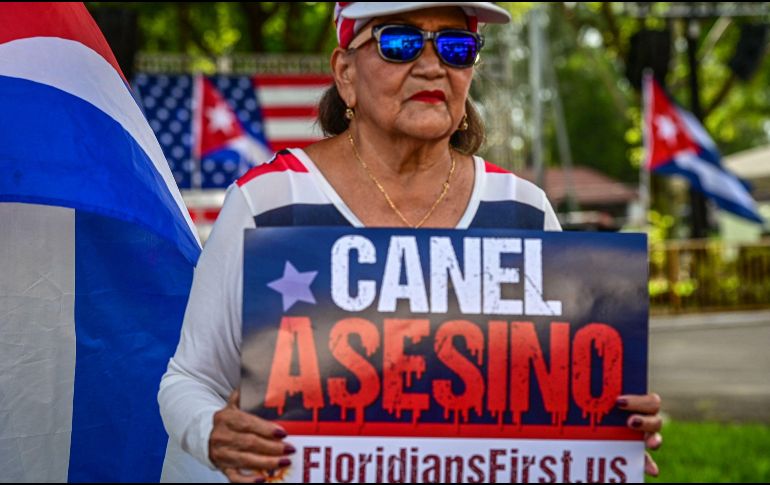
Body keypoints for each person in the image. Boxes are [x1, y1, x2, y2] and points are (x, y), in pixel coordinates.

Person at [158, 3, 663, 482]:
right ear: (345, 73)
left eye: (456, 47)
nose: (431, 65)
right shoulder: (268, 201)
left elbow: (559, 390)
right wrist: (212, 433)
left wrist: (609, 426)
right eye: (400, 42)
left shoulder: (522, 210)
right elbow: (188, 380)